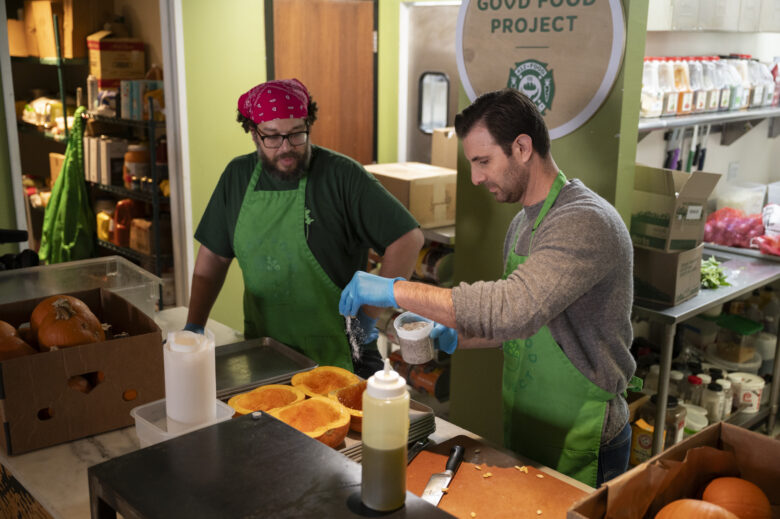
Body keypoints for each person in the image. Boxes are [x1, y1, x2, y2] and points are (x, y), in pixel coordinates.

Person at [339, 89, 638, 487]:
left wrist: (394, 289)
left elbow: (511, 308)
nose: (477, 178)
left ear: (522, 147)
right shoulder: (520, 226)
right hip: (528, 420)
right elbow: (517, 325)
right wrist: (455, 336)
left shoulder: (584, 221)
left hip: (583, 433)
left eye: (483, 162)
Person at [187, 78, 424, 377]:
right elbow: (214, 259)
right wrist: (194, 326)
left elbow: (408, 238)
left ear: (308, 124)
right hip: (266, 353)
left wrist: (369, 315)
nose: (286, 148)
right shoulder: (237, 176)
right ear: (253, 133)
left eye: (297, 134)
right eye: (272, 137)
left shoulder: (342, 176)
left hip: (341, 354)